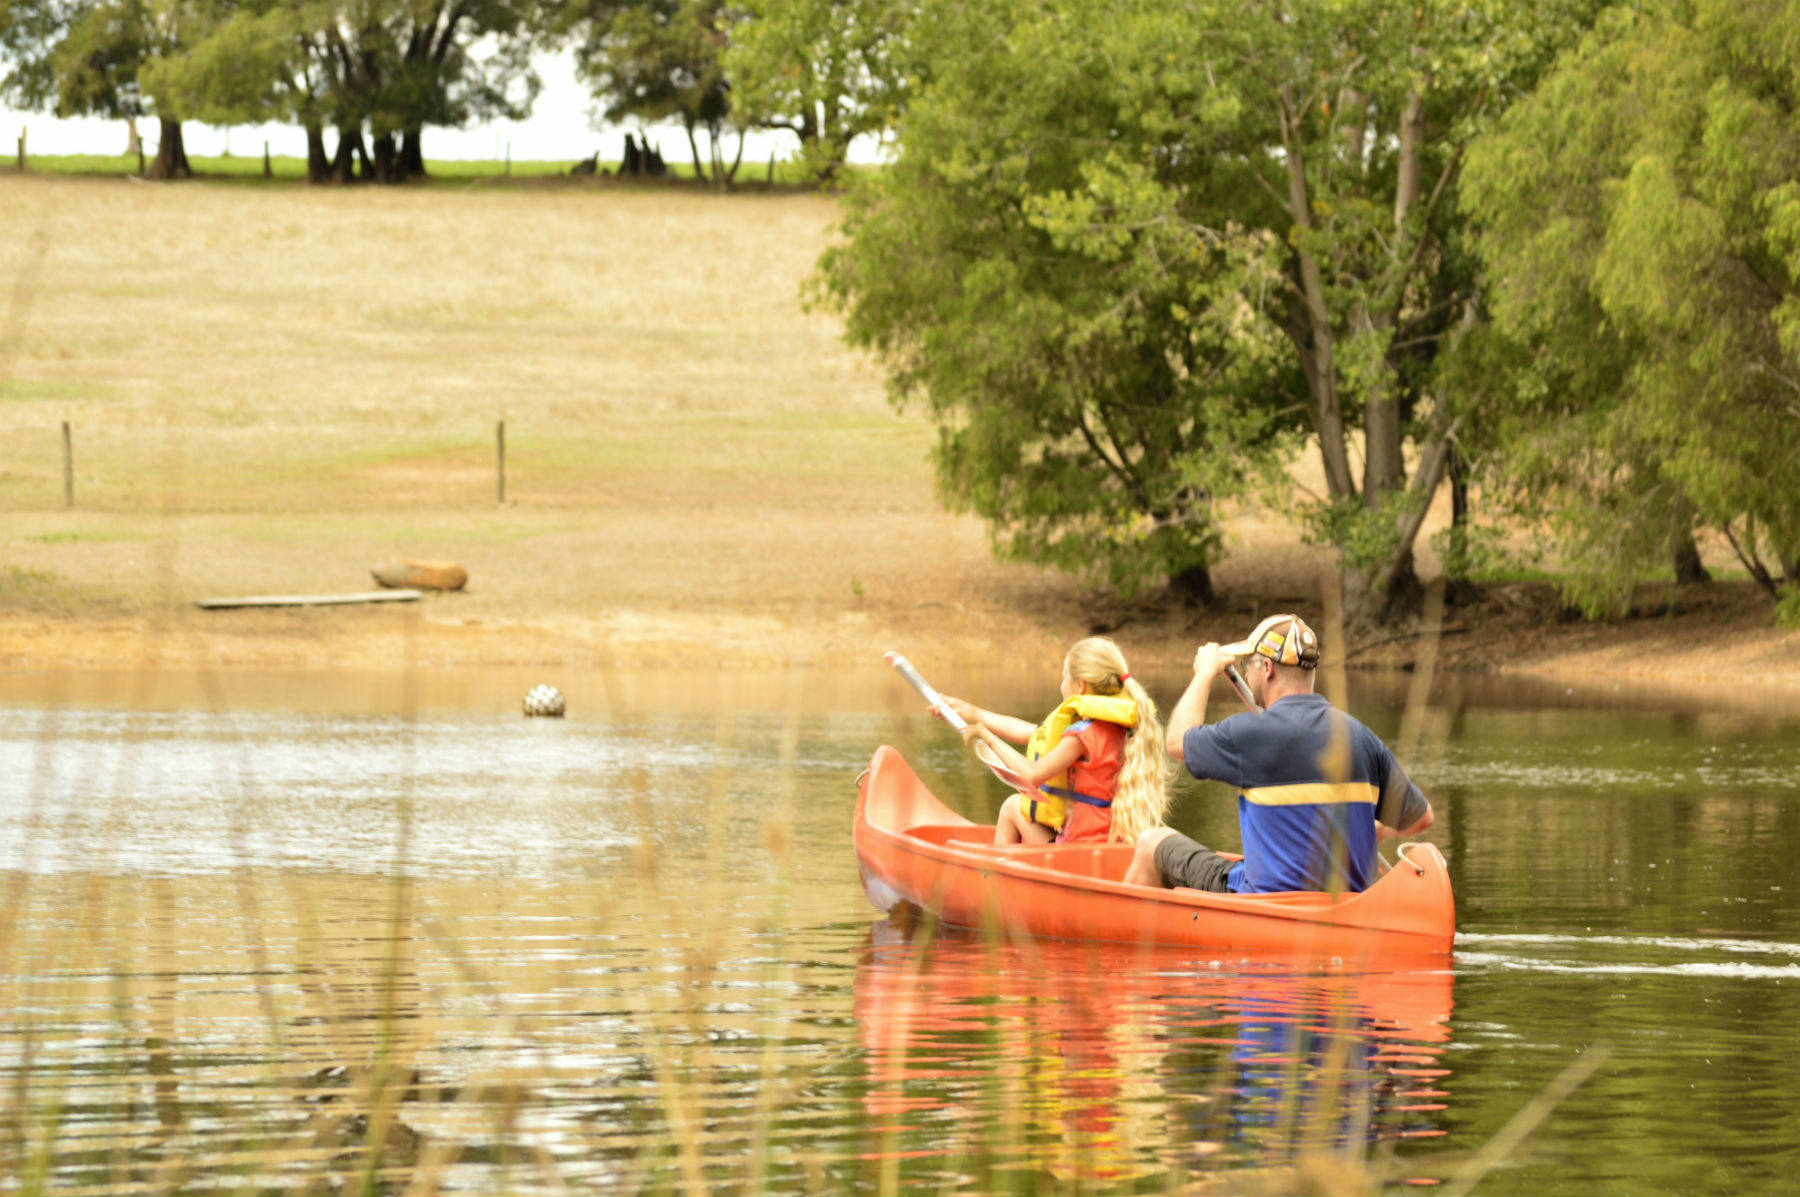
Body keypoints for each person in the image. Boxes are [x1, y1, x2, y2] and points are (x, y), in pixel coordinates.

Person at [1122, 614, 1433, 893]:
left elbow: (1176, 742)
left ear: (1266, 669)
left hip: (1266, 903)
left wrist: (1204, 673)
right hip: (1345, 906)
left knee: (1151, 843)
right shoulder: (1360, 737)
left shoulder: (1249, 735)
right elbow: (1422, 818)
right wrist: (1376, 830)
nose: (1246, 672)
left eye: (1248, 665)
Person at [933, 637, 1174, 845]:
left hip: (1079, 847)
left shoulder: (1081, 736)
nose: (1061, 685)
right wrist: (975, 713)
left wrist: (986, 735)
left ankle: (995, 884)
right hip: (1110, 841)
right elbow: (1032, 733)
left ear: (1080, 686)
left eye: (1063, 678)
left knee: (1011, 806)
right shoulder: (1120, 726)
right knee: (1020, 807)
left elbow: (1032, 775)